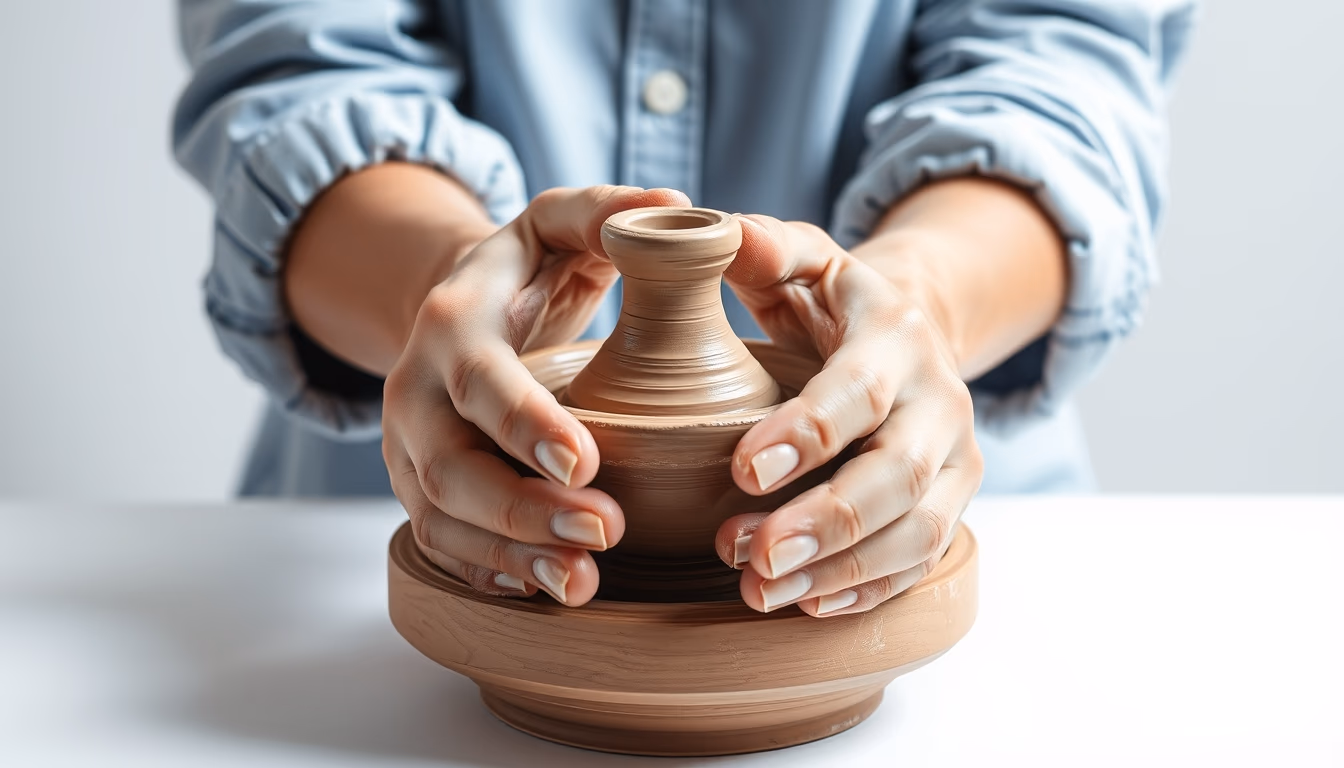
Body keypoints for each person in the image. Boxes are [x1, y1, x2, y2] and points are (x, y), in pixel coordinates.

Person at [173, 1, 1194, 616]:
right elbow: (299, 65)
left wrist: (912, 304)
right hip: (397, 559)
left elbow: (1058, 74)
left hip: (922, 535)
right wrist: (454, 288)